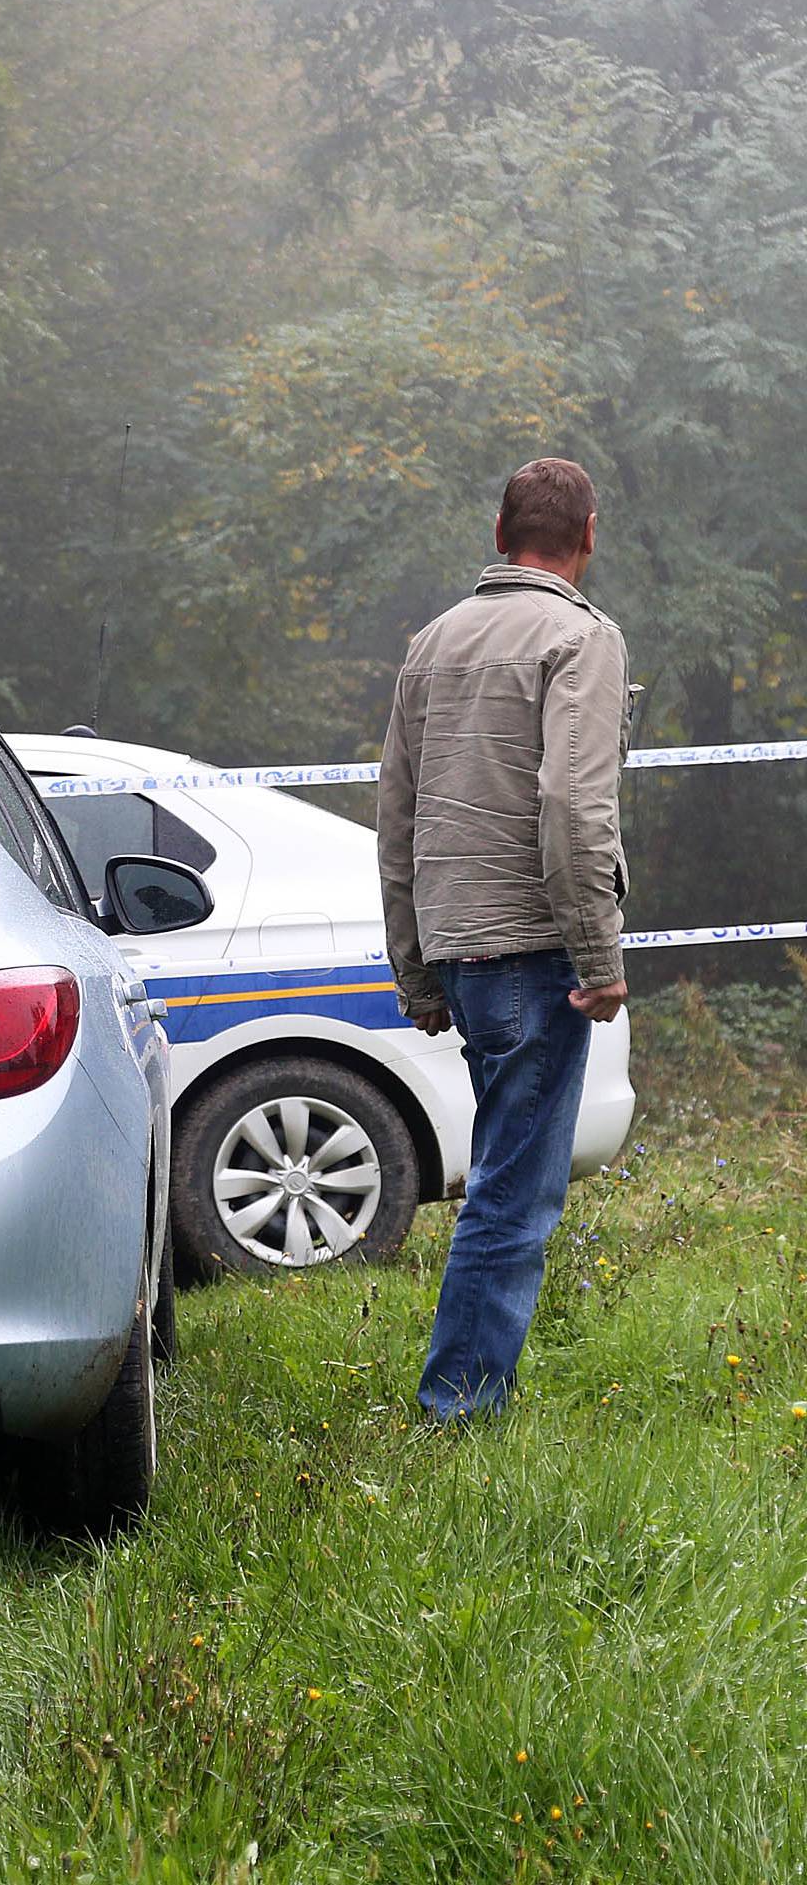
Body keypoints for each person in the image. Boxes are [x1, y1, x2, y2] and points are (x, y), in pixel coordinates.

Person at [378, 457, 633, 1421]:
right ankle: (460, 1405)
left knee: (499, 1173)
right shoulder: (582, 637)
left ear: (499, 532)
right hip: (537, 949)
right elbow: (573, 802)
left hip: (461, 947)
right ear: (589, 537)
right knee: (512, 1194)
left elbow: (394, 816)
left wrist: (418, 969)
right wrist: (599, 958)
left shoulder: (431, 643)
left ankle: (468, 1389)